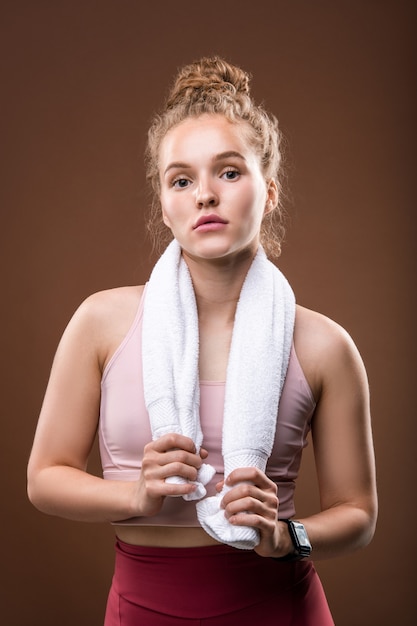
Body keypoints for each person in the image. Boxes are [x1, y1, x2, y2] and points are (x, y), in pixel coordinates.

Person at [27, 56, 377, 625]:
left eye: (230, 172)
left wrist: (289, 536)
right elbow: (44, 479)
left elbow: (359, 514)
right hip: (142, 608)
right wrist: (136, 496)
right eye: (182, 179)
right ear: (165, 205)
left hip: (280, 606)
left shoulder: (324, 346)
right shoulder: (101, 322)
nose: (205, 195)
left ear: (269, 193)